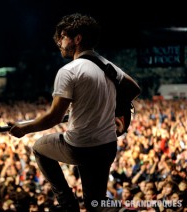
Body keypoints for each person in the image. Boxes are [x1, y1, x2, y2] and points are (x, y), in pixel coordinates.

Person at [9, 13, 141, 212]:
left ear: (77, 39)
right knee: (95, 203)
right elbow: (134, 90)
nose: (59, 43)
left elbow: (53, 118)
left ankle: (67, 204)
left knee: (38, 147)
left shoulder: (69, 71)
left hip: (80, 146)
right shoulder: (106, 65)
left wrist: (24, 129)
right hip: (106, 146)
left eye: (63, 37)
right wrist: (111, 110)